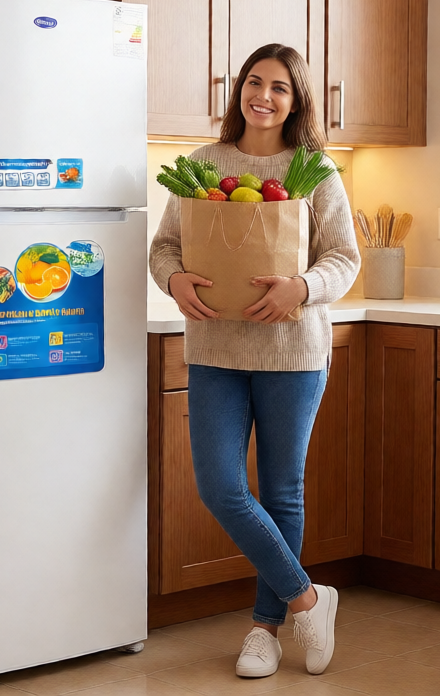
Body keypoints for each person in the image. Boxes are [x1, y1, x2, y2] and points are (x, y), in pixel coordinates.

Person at [148, 44, 360, 678]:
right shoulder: (203, 164)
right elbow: (164, 248)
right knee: (220, 485)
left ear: (296, 102)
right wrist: (174, 279)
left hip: (293, 351)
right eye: (254, 82)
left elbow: (344, 258)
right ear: (237, 88)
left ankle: (265, 629)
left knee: (281, 490)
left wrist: (302, 288)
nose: (263, 96)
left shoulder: (316, 169)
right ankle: (307, 599)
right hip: (216, 347)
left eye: (279, 88)